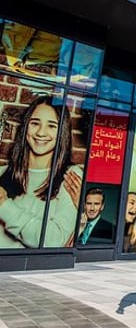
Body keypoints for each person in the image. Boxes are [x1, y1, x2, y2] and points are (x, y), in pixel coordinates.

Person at [0, 95, 83, 248]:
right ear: (25, 127)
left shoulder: (70, 176)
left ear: (62, 132)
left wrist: (4, 206)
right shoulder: (2, 172)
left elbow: (54, 241)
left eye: (51, 126)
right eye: (35, 123)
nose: (41, 132)